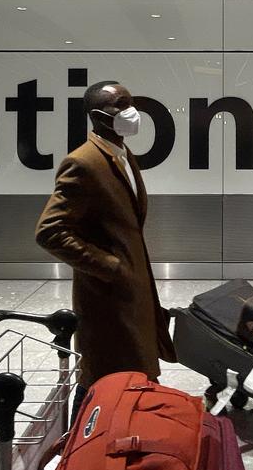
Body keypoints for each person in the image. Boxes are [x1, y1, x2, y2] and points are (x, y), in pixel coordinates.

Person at [35, 80, 174, 408]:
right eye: (122, 104)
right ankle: (81, 447)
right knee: (101, 379)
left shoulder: (121, 155)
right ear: (98, 115)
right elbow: (49, 231)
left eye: (131, 101)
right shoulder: (84, 163)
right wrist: (109, 266)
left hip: (129, 293)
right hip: (106, 299)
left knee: (127, 377)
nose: (132, 111)